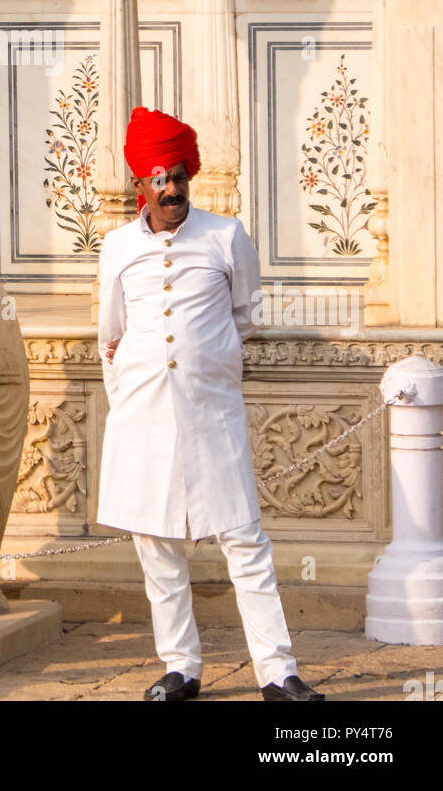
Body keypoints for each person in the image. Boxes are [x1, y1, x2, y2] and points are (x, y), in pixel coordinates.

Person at [97, 106, 323, 703]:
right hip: (143, 421)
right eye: (158, 179)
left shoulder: (226, 236)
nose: (171, 188)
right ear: (139, 186)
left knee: (246, 544)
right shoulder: (117, 247)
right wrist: (132, 401)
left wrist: (204, 361)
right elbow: (109, 338)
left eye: (178, 175)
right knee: (159, 551)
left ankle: (279, 673)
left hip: (212, 417)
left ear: (189, 174)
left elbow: (245, 316)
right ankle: (181, 669)